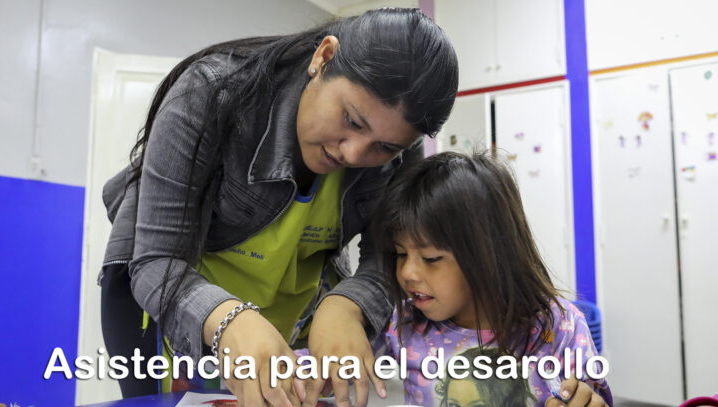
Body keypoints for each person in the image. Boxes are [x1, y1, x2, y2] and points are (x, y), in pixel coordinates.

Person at [99, 7, 458, 407]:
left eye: (385, 147)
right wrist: (227, 320)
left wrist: (348, 307)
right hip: (167, 302)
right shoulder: (208, 92)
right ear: (323, 57)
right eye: (352, 121)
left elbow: (385, 257)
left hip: (291, 312)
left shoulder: (400, 153)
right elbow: (156, 263)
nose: (355, 153)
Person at [372, 152, 613, 406]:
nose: (407, 272)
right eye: (399, 254)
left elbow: (592, 398)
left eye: (431, 258)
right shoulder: (402, 323)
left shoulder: (561, 326)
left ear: (489, 252)